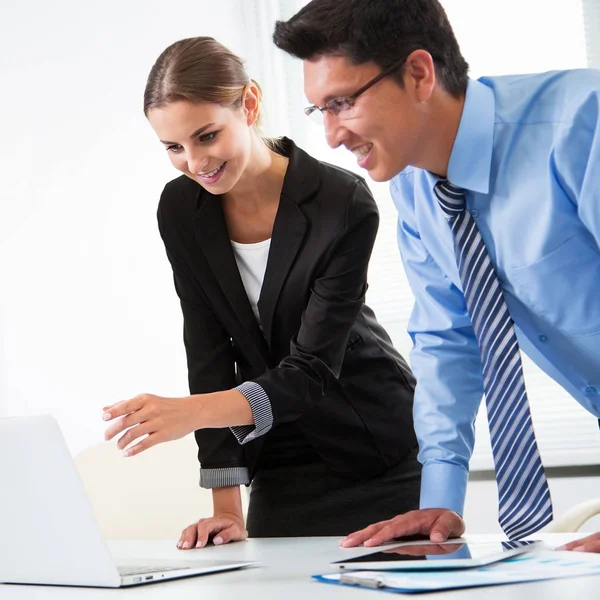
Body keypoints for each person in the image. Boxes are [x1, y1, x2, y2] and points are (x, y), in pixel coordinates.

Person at [273, 0, 600, 552]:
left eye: (342, 103)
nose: (330, 135)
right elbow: (449, 338)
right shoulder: (417, 190)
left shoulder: (580, 125)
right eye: (319, 112)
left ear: (419, 74)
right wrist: (439, 501)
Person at [102, 36, 421, 546]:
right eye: (173, 147)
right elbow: (206, 348)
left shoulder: (341, 202)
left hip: (373, 450)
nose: (194, 162)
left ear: (248, 105)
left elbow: (311, 369)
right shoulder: (181, 208)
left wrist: (190, 413)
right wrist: (226, 506)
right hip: (275, 453)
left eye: (206, 136)